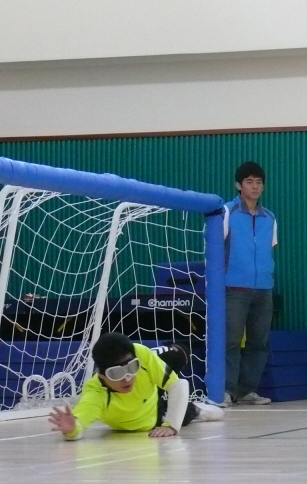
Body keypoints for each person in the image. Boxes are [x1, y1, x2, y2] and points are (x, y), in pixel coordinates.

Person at [48, 333, 223, 440]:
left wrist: (171, 426)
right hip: (152, 415)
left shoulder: (140, 353)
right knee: (198, 413)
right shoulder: (95, 394)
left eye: (131, 368)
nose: (127, 378)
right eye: (116, 374)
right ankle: (199, 410)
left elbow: (178, 385)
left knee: (180, 353)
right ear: (101, 375)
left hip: (149, 384)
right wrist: (70, 430)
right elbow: (77, 427)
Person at [223, 161, 277, 406]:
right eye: (249, 181)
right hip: (233, 287)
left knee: (258, 342)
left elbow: (268, 249)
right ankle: (225, 390)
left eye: (259, 182)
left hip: (263, 289)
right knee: (230, 340)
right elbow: (213, 250)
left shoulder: (270, 218)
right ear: (238, 185)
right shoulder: (226, 213)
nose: (255, 186)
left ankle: (246, 391)